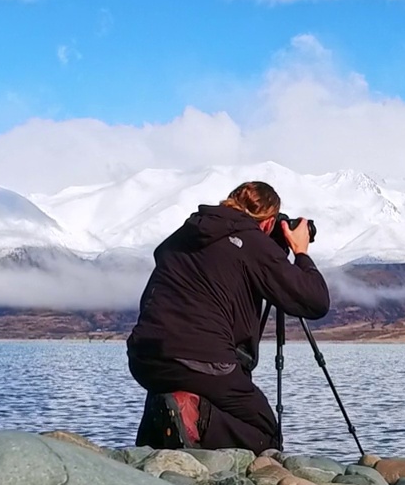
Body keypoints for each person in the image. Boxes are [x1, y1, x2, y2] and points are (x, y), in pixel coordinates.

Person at [125, 180, 329, 454]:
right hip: (202, 360)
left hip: (144, 359)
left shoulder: (182, 235)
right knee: (265, 433)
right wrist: (300, 252)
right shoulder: (251, 241)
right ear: (268, 223)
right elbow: (314, 300)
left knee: (195, 389)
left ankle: (159, 431)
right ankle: (191, 415)